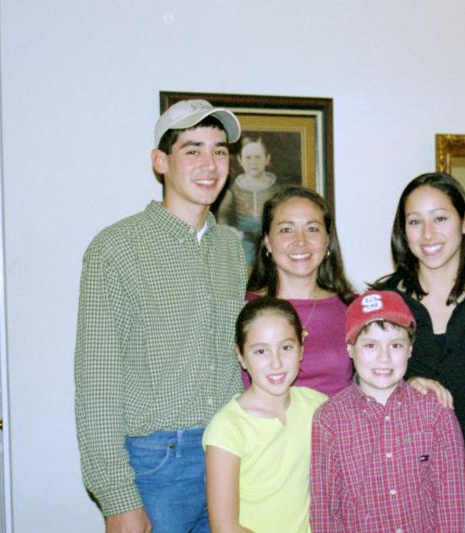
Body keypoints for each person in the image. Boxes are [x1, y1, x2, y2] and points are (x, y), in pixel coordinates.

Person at [74, 99, 246, 533]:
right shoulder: (116, 248)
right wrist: (116, 497)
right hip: (158, 464)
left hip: (231, 452)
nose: (210, 164)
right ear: (160, 161)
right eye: (192, 150)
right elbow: (97, 381)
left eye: (219, 150)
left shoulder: (231, 248)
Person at [372, 172, 465, 531]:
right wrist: (404, 385)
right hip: (406, 494)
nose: (428, 234)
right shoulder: (382, 304)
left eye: (440, 218)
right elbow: (359, 393)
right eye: (414, 222)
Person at [310, 290, 465, 532]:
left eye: (395, 345)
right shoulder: (329, 419)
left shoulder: (436, 411)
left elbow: (452, 503)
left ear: (410, 349)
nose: (384, 358)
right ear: (350, 349)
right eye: (370, 345)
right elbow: (325, 510)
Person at [204, 297, 327, 533]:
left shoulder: (317, 406)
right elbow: (225, 527)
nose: (276, 362)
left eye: (286, 347)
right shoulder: (227, 428)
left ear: (301, 347)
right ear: (241, 355)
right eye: (261, 351)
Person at [246, 185, 355, 396]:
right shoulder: (243, 307)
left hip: (340, 418)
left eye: (312, 229)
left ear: (327, 240)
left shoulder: (353, 308)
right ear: (267, 242)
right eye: (286, 230)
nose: (300, 241)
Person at [217, 136, 280, 264]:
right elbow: (223, 217)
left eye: (258, 157)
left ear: (267, 159)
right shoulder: (232, 191)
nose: (253, 162)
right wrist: (232, 233)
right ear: (240, 161)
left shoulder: (277, 191)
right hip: (243, 238)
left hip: (271, 236)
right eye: (248, 158)